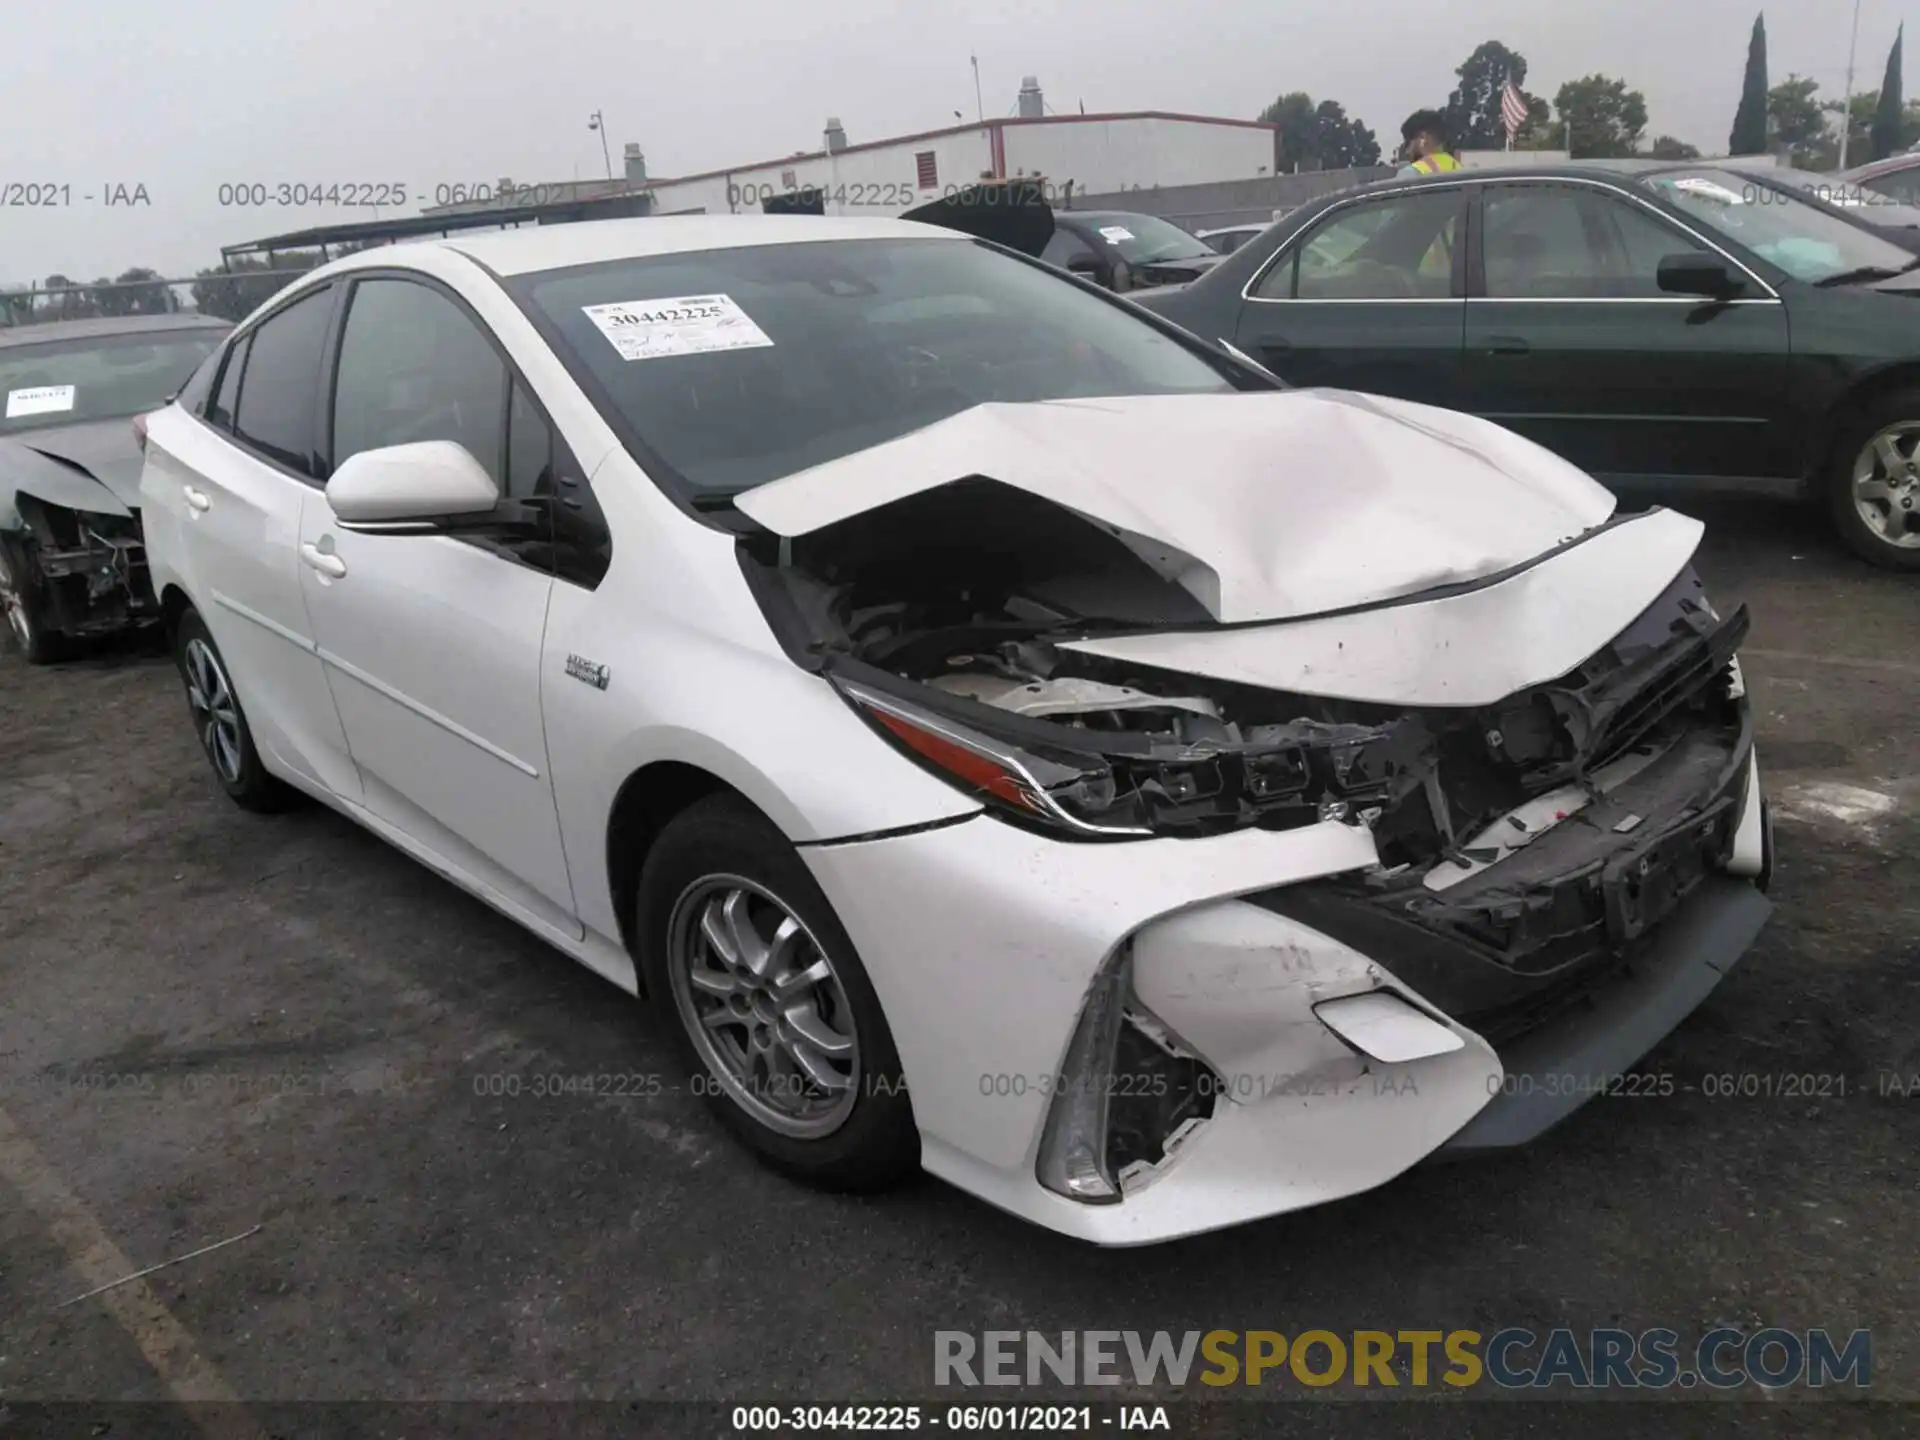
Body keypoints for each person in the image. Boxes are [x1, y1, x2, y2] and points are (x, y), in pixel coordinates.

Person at [1398, 110, 1462, 177]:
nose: (1407, 151)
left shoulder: (1410, 173)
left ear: (1422, 137)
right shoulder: (1460, 170)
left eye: (1408, 143)